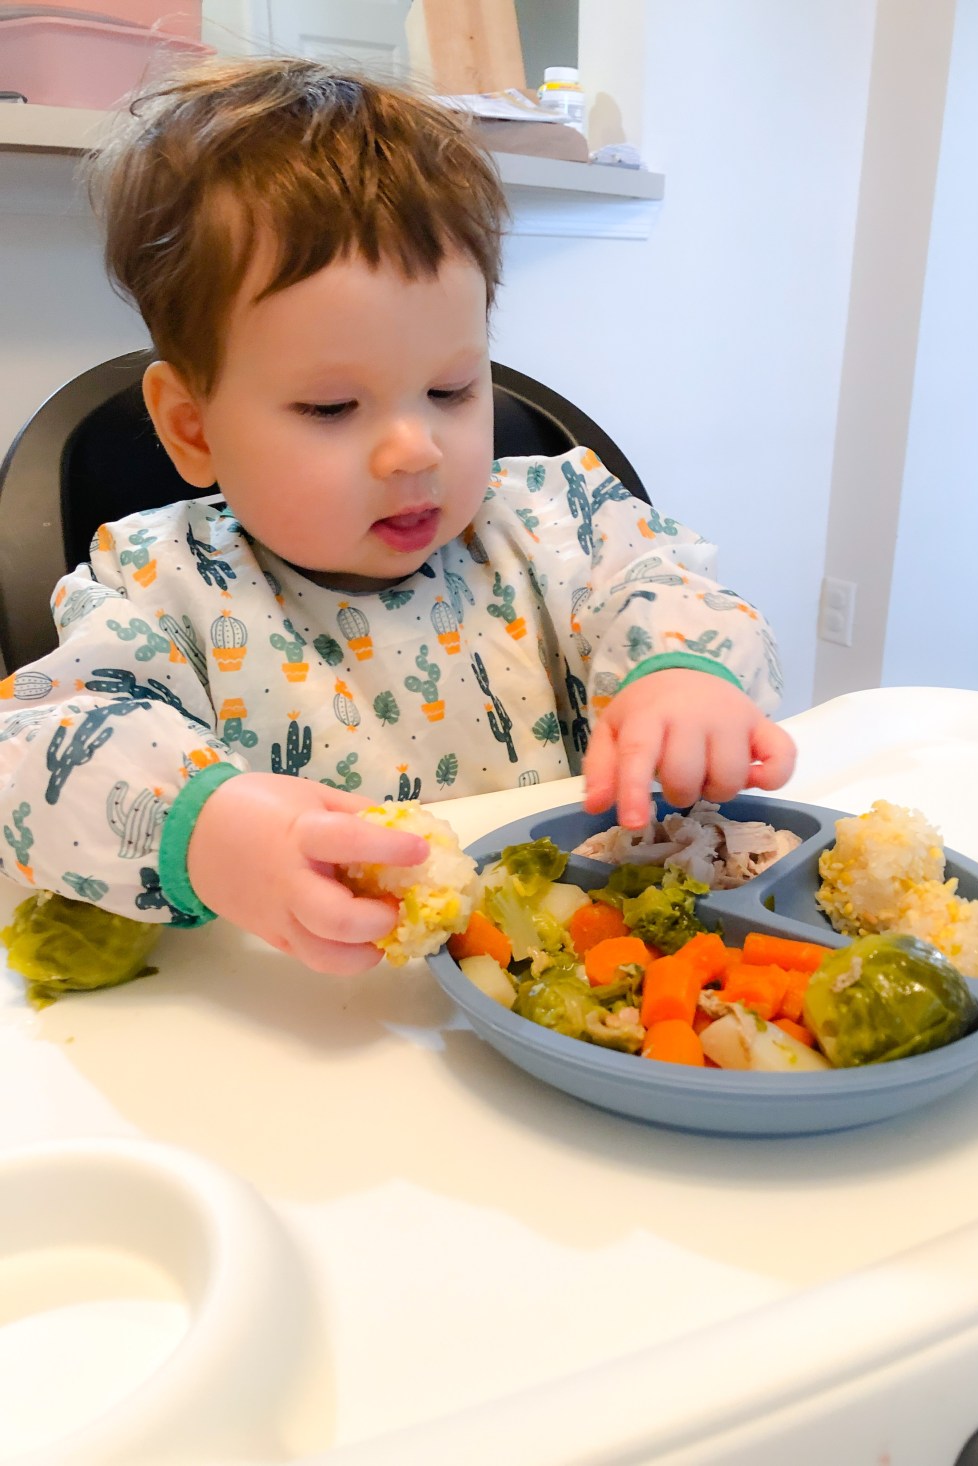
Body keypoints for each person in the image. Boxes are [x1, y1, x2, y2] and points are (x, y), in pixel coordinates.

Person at [0, 57, 796, 976]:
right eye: (332, 408)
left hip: (576, 975)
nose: (415, 449)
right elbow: (35, 756)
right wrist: (207, 827)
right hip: (321, 1005)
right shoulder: (158, 590)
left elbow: (666, 585)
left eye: (451, 389)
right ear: (192, 428)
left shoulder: (555, 522)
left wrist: (682, 674)